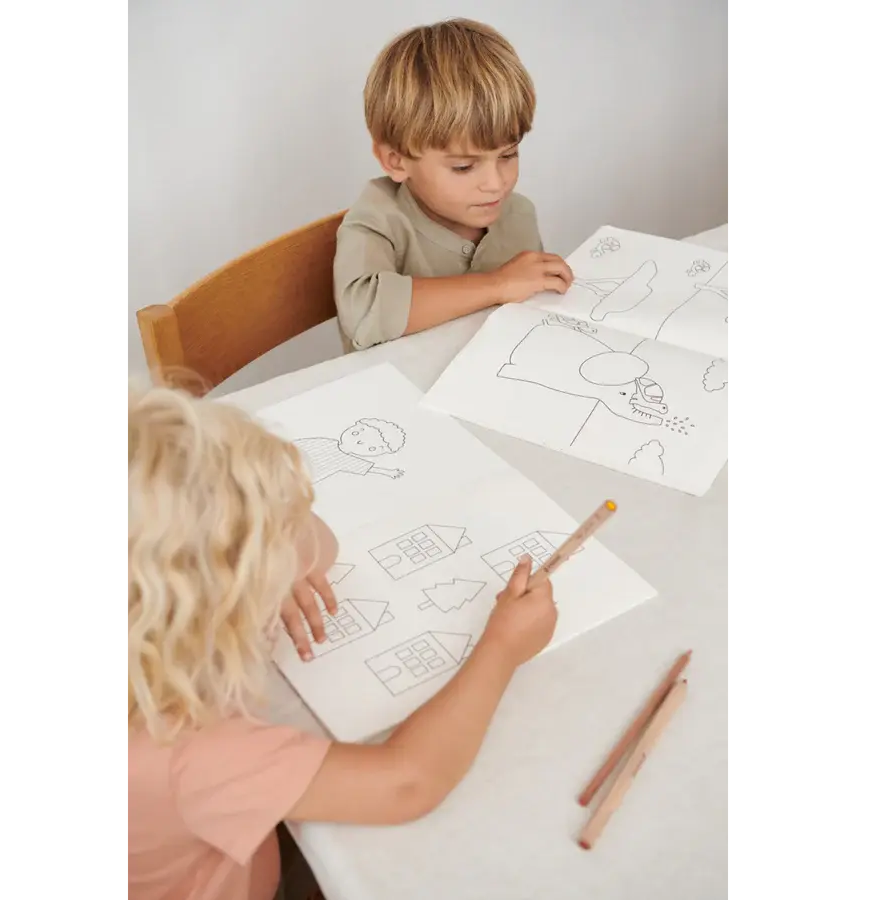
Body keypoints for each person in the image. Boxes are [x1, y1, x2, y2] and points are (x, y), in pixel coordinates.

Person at [123, 383, 558, 900]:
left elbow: (319, 546)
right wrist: (502, 647)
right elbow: (407, 782)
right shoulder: (187, 757)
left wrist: (259, 562)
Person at [334, 18, 574, 351]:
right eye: (464, 167)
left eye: (508, 155)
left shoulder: (518, 214)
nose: (496, 184)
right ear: (396, 161)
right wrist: (497, 284)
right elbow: (364, 312)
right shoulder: (379, 219)